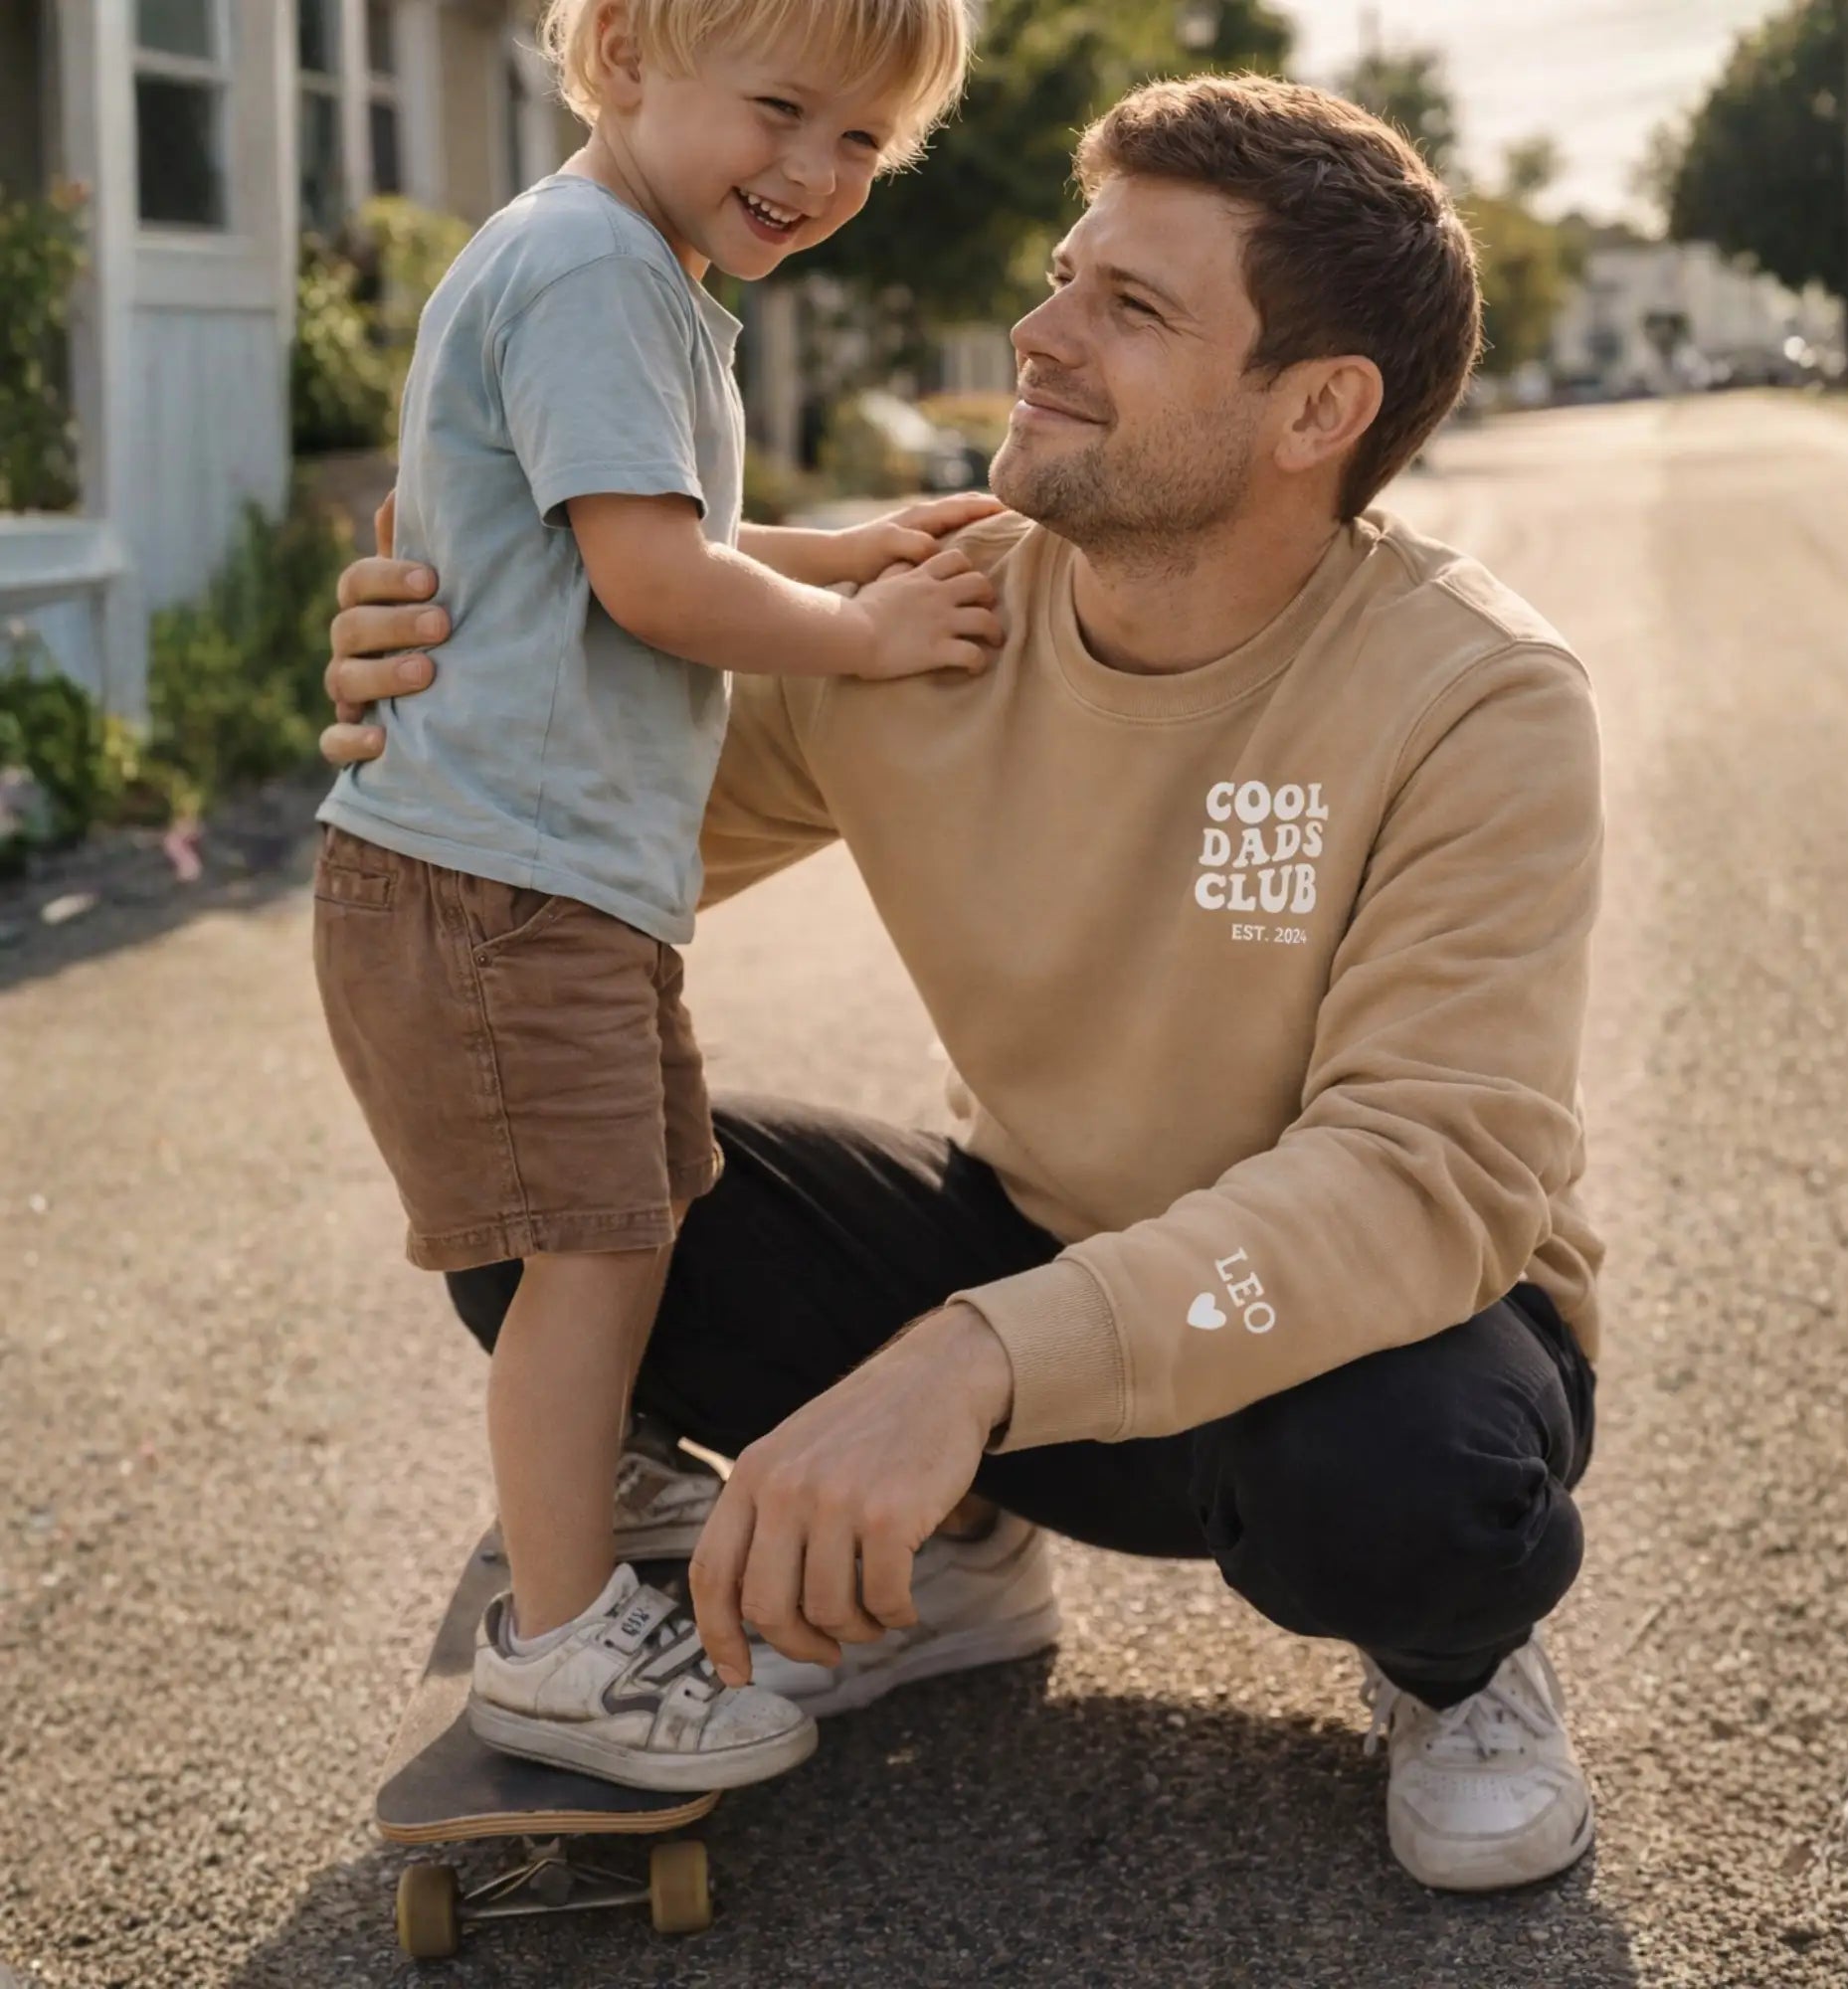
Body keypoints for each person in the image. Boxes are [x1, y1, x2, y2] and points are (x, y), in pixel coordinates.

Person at [323, 74, 1607, 1893]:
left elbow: (1428, 1181)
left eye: (1131, 309)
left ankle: (1456, 1665)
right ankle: (946, 1561)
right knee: (543, 1163)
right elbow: (555, 887)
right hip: (1023, 1275)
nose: (1040, 334)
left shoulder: (1475, 696)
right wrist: (446, 691)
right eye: (1066, 275)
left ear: (1319, 409)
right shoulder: (926, 611)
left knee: (1400, 1472)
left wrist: (971, 1359)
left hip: (1339, 1347)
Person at [312, 0, 1003, 1795]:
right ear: (619, 51)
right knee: (599, 1243)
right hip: (496, 885)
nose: (814, 171)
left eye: (862, 142)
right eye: (781, 108)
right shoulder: (599, 274)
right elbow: (647, 577)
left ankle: (601, 1496)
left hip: (544, 885)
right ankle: (558, 1644)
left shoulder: (627, 265)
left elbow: (663, 521)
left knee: (644, 1200)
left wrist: (835, 547)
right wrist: (862, 633)